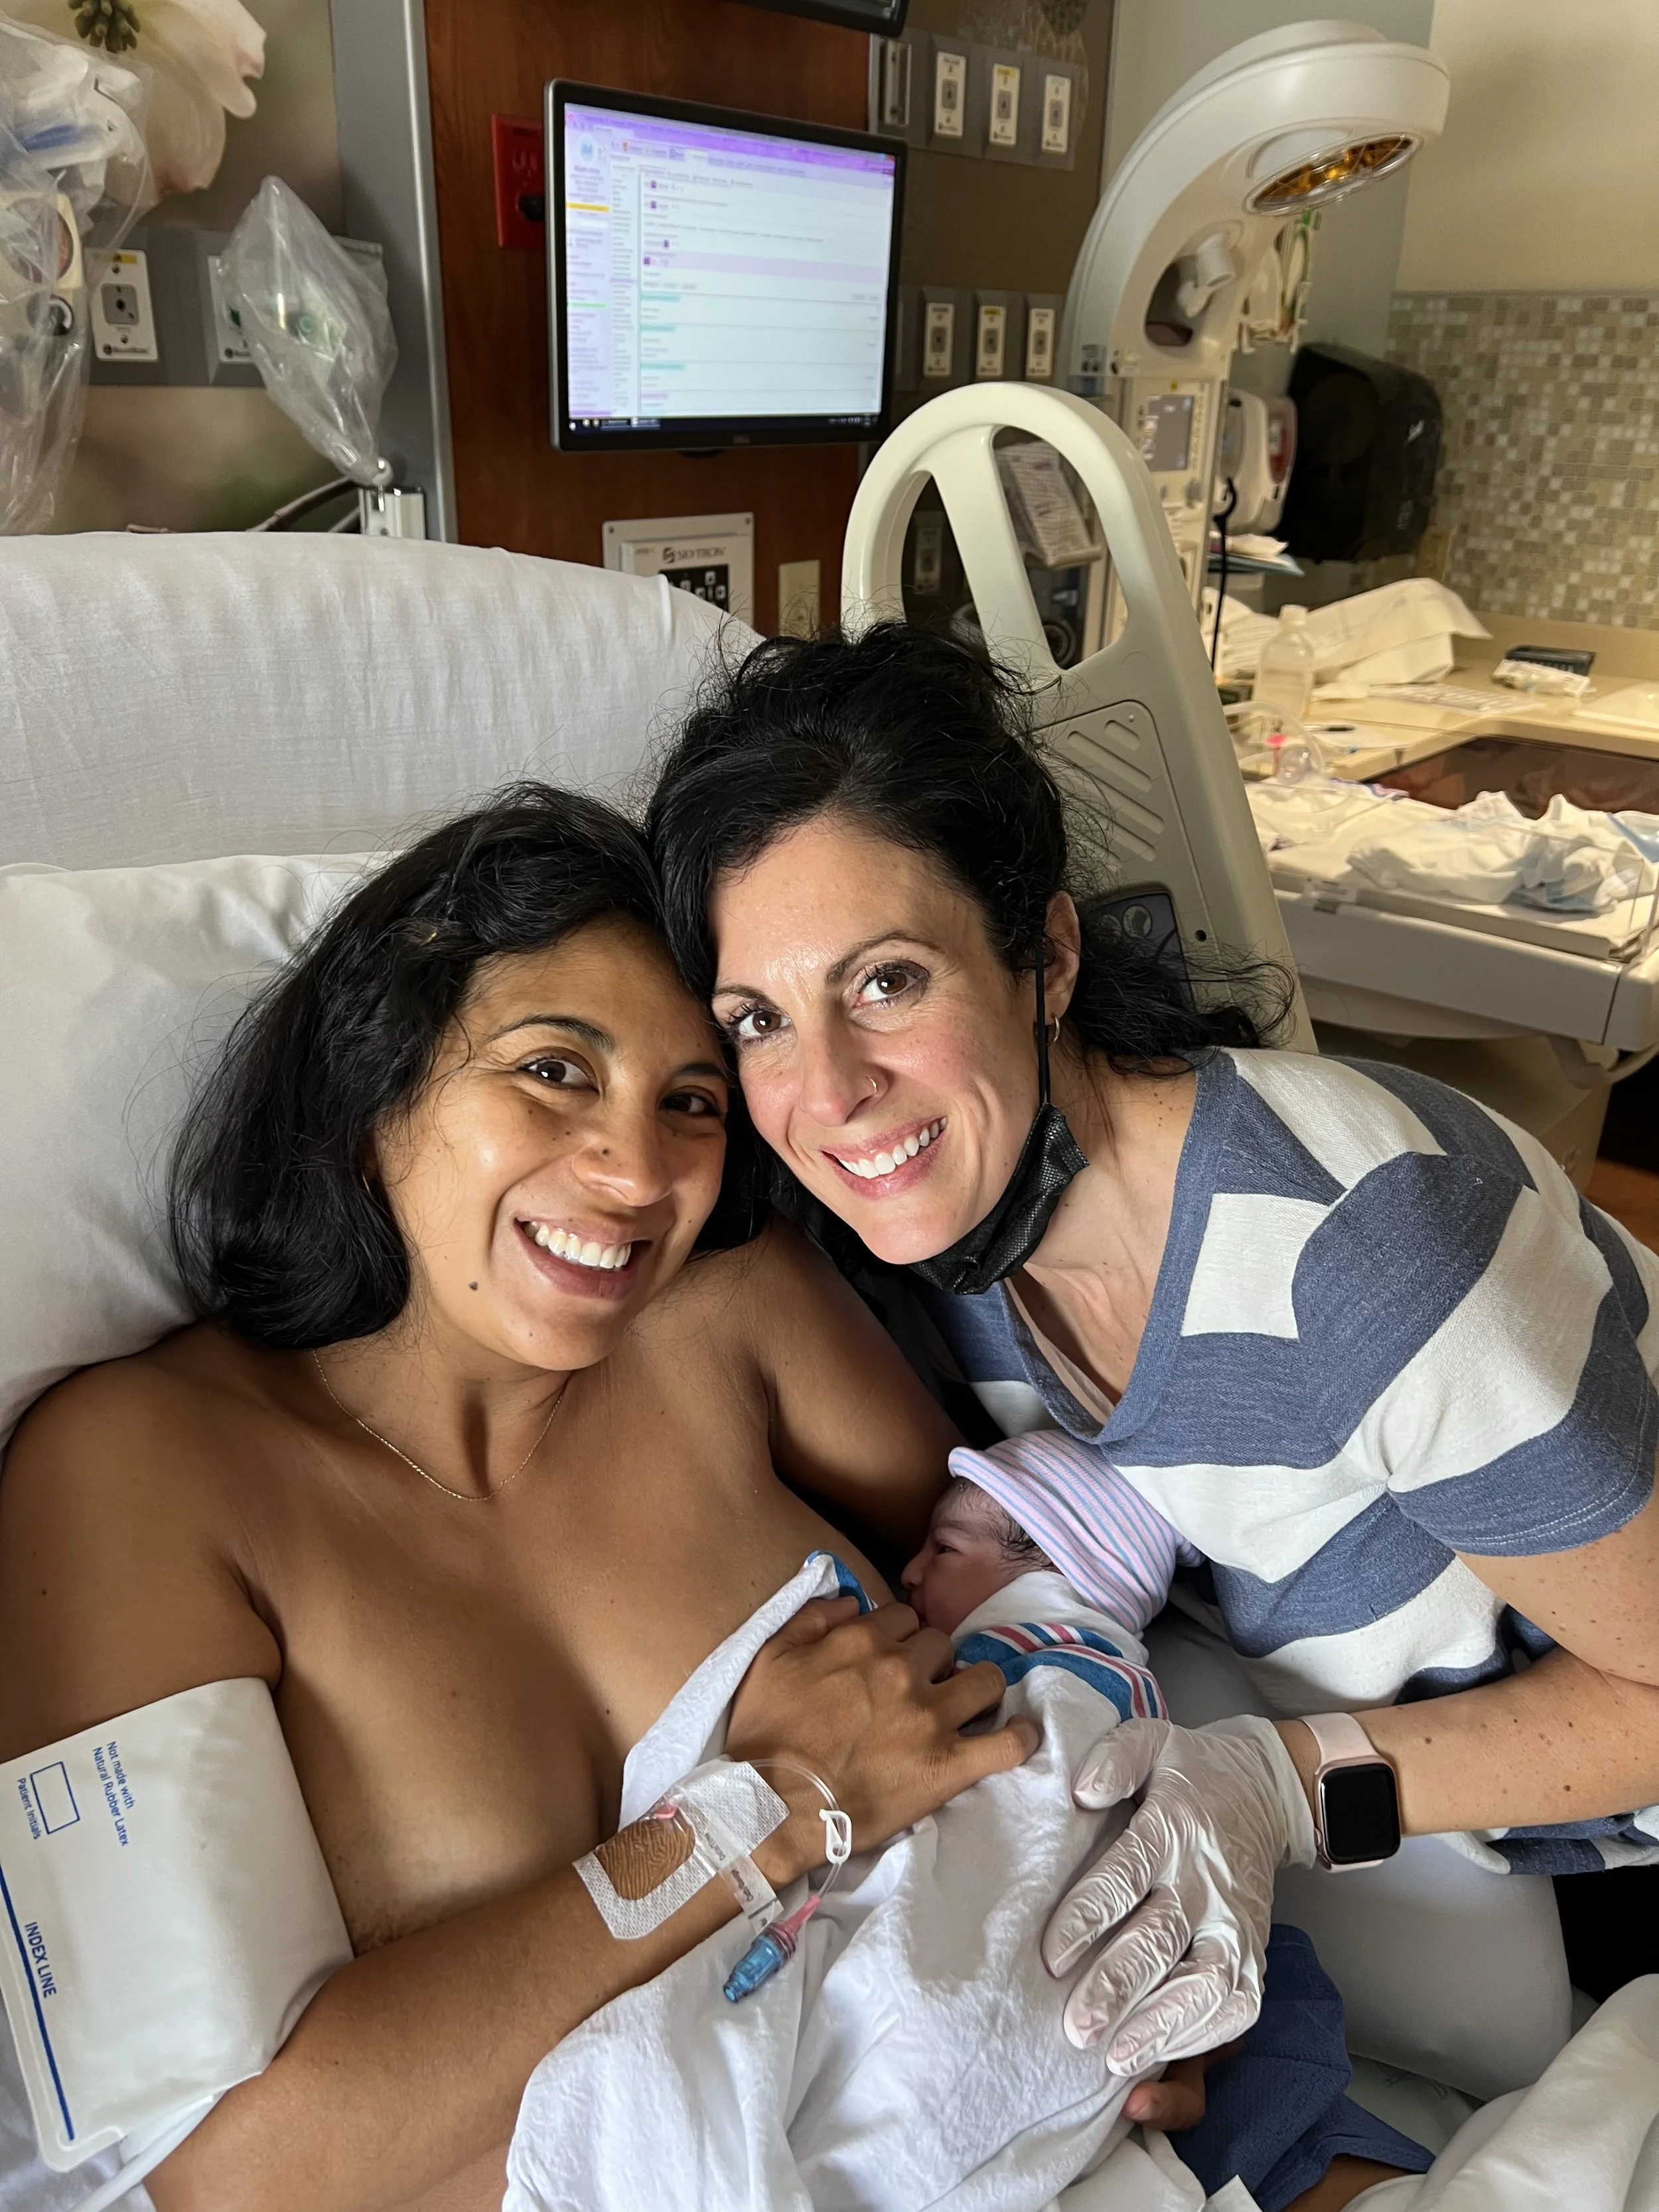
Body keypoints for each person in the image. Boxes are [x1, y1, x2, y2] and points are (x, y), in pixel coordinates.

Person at [645, 620, 1659, 2099]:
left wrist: (1278, 1788)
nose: (829, 1094)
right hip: (1449, 1832)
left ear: (1046, 955)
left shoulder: (1365, 1256)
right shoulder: (935, 1247)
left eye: (885, 982)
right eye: (758, 1020)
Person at [0, 786, 1038, 2212]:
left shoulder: (736, 1325)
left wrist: (1104, 1958)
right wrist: (771, 1808)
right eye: (555, 1070)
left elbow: (1031, 1596)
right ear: (379, 1084)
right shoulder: (140, 1473)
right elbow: (231, 2171)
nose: (634, 1174)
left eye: (689, 1103)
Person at [506, 1433, 1429, 2212]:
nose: (909, 1572)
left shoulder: (1034, 1672)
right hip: (1058, 2067)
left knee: (651, 2080)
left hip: (986, 2013)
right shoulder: (1128, 1696)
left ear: (1060, 1564)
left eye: (944, 1550)